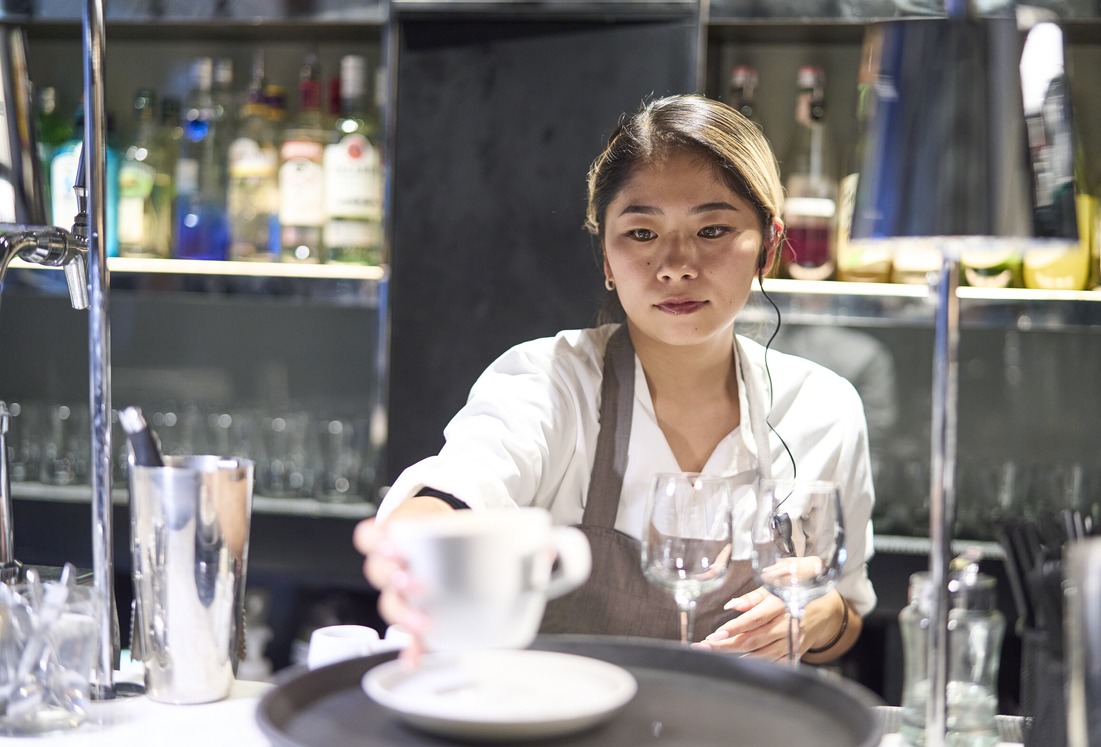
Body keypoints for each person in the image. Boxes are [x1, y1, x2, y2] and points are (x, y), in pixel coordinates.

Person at [353, 93, 876, 663]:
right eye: (642, 234)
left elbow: (847, 616)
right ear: (606, 257)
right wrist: (418, 540)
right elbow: (459, 485)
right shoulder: (550, 381)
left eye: (713, 230)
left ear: (768, 249)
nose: (676, 264)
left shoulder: (824, 409)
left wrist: (823, 617)